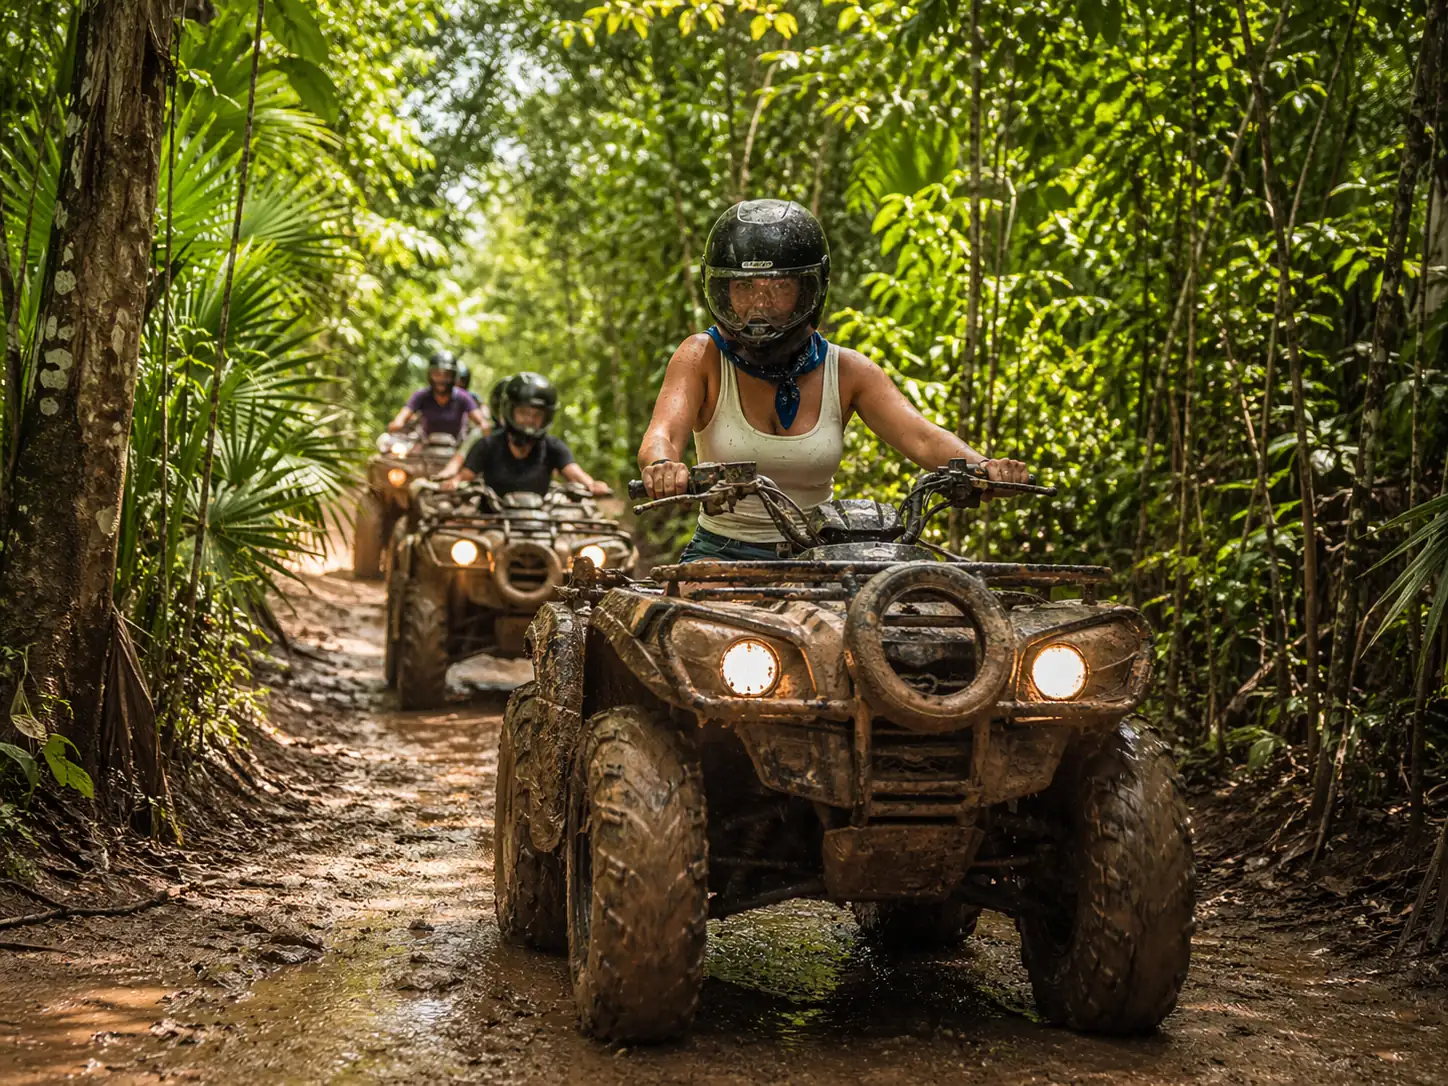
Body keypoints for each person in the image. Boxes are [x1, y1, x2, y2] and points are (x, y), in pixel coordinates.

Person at [637, 199, 1029, 561]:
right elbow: (663, 435)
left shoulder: (847, 370)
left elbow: (922, 436)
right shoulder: (702, 356)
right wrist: (663, 466)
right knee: (679, 633)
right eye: (743, 287)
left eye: (779, 287)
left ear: (809, 289)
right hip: (722, 554)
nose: (759, 303)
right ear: (721, 290)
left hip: (821, 557)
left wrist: (985, 469)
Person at [443, 372, 611, 497]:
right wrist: (454, 482)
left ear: (546, 417)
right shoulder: (488, 445)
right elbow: (465, 475)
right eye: (523, 413)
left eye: (537, 415)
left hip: (540, 525)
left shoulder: (553, 446)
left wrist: (591, 484)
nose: (530, 420)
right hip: (494, 521)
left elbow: (574, 472)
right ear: (510, 411)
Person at [387, 350, 489, 440]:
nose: (441, 379)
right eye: (437, 374)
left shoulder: (463, 397)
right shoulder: (421, 395)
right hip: (424, 445)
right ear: (430, 374)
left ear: (453, 376)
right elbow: (402, 416)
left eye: (446, 375)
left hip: (456, 448)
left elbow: (481, 421)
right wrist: (397, 424)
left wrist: (484, 428)